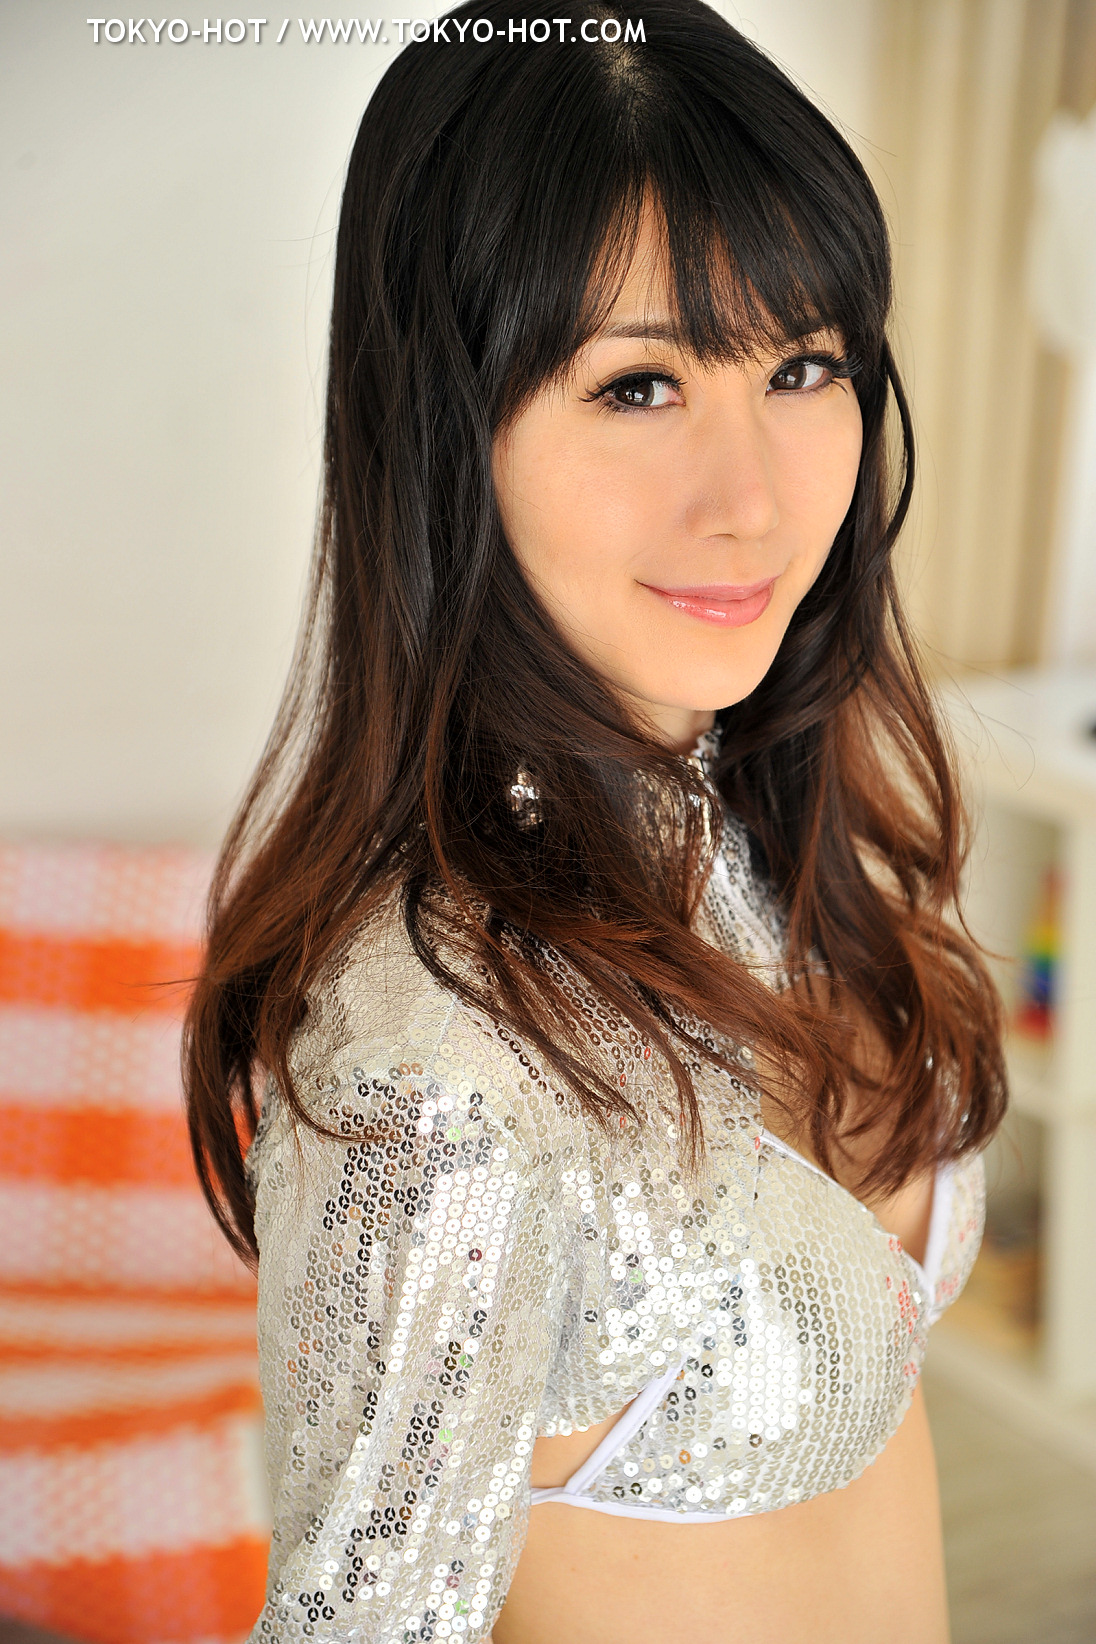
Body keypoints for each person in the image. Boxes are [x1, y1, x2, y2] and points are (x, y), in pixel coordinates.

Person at [183, 3, 1008, 1639]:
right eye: (639, 385)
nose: (753, 499)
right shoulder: (442, 1062)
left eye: (804, 366)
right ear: (445, 431)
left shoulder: (762, 822)